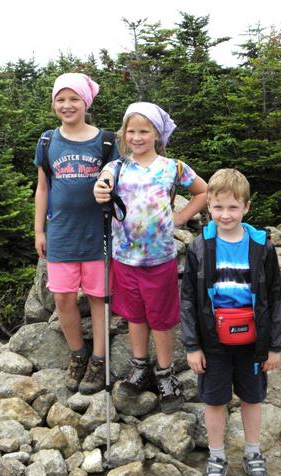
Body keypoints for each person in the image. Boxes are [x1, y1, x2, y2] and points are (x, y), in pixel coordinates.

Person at [94, 102, 208, 413]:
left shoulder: (174, 167)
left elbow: (203, 191)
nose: (137, 137)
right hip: (125, 258)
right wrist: (101, 190)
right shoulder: (117, 167)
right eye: (131, 131)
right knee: (135, 315)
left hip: (160, 259)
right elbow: (101, 185)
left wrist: (181, 217)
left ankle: (165, 371)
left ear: (157, 134)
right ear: (124, 134)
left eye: (144, 131)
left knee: (161, 317)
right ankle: (140, 366)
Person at [180, 168, 281, 476]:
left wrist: (275, 347)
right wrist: (192, 345)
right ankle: (217, 458)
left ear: (246, 207)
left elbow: (275, 296)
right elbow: (188, 300)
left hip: (254, 341)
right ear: (208, 207)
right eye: (218, 207)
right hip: (212, 342)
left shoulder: (262, 247)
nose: (225, 214)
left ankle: (253, 453)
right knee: (214, 399)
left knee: (252, 397)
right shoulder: (200, 247)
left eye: (233, 207)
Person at [34, 73, 119, 395]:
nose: (67, 105)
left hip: (99, 235)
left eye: (74, 99)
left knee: (99, 298)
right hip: (61, 234)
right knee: (63, 297)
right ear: (54, 103)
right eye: (61, 99)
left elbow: (118, 185)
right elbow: (43, 188)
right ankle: (77, 353)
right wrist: (39, 229)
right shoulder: (47, 141)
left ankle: (99, 359)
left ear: (86, 102)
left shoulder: (106, 141)